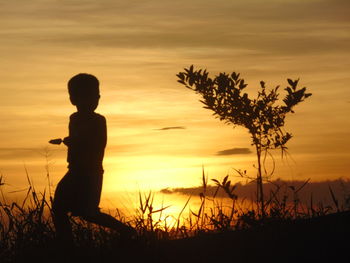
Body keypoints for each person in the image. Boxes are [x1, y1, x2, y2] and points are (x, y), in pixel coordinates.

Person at [50, 73, 135, 245]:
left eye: (95, 95)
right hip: (74, 171)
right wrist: (70, 141)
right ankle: (65, 244)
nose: (92, 99)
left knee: (89, 213)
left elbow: (98, 144)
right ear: (73, 99)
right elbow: (78, 140)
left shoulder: (99, 120)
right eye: (85, 96)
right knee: (59, 207)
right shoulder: (73, 119)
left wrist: (74, 141)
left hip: (91, 173)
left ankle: (128, 232)